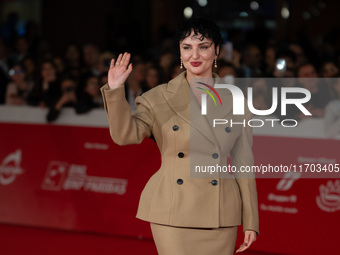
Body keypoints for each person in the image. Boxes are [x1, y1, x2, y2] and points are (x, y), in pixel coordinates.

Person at [100, 18, 259, 255]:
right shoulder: (158, 97)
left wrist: (251, 221)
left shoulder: (237, 102)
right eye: (187, 47)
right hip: (173, 209)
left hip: (219, 213)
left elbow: (243, 164)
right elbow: (125, 135)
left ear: (216, 51)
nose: (194, 54)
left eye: (203, 46)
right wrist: (115, 91)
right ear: (180, 52)